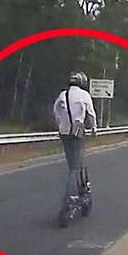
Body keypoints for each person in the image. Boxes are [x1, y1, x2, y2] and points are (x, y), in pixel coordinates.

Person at [52, 71, 98, 208]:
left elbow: (56, 112)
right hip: (77, 132)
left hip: (64, 132)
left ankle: (74, 192)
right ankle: (70, 196)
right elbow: (91, 113)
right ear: (82, 83)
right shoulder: (84, 95)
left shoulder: (62, 94)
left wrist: (61, 124)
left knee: (72, 164)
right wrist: (94, 128)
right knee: (75, 167)